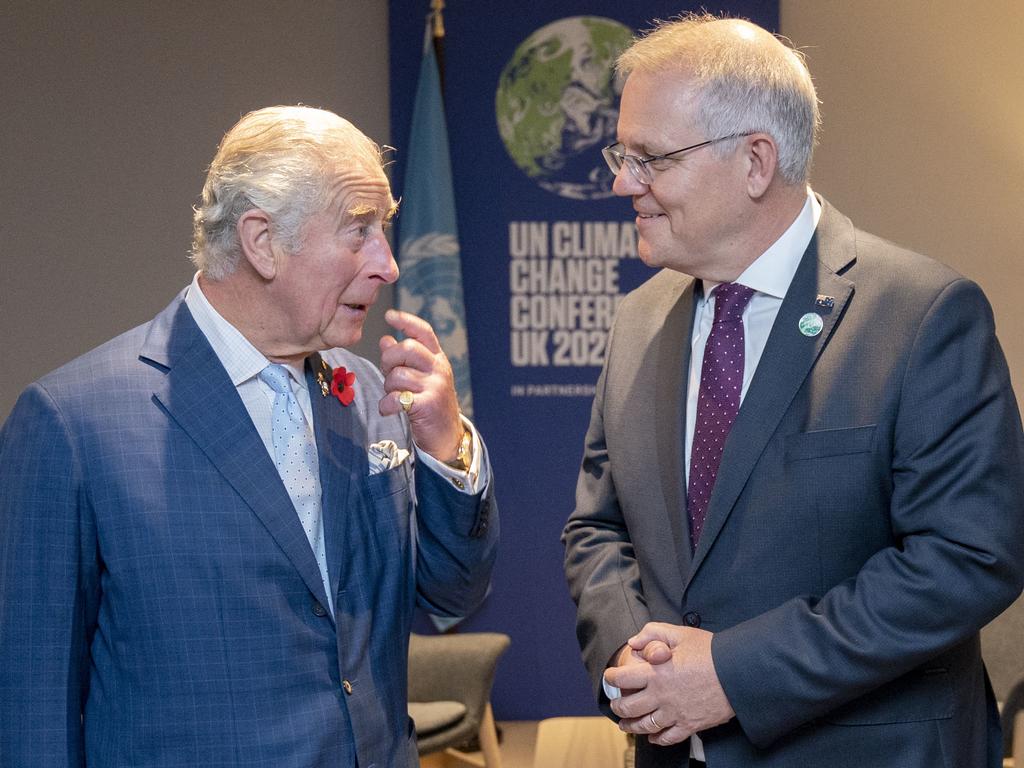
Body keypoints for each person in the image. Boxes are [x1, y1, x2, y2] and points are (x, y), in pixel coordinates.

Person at [562, 14, 1024, 768]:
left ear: (754, 162)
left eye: (649, 158)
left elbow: (968, 557)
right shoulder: (637, 322)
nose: (622, 182)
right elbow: (597, 528)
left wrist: (734, 675)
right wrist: (637, 667)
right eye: (623, 154)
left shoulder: (921, 315)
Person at [0, 105, 498, 767]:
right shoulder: (73, 424)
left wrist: (445, 448)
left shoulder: (378, 394)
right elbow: (33, 706)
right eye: (359, 231)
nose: (387, 264)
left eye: (385, 229)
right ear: (263, 241)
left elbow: (453, 595)